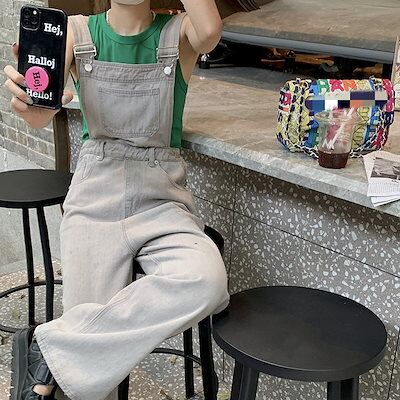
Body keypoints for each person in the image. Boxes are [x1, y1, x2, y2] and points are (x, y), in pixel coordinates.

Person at [4, 1, 230, 399]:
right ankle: (59, 356)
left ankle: (49, 349)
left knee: (206, 281)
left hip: (162, 198)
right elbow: (39, 118)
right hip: (95, 194)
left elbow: (210, 30)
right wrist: (31, 102)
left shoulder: (179, 33)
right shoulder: (76, 31)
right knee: (90, 375)